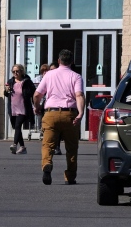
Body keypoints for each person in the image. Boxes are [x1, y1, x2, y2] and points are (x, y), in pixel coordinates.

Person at [33, 49, 84, 185]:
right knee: (71, 147)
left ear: (58, 61)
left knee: (48, 144)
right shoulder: (76, 76)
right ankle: (70, 176)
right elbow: (79, 95)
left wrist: (37, 107)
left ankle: (47, 165)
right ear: (72, 62)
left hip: (51, 113)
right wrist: (80, 113)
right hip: (69, 114)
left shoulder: (49, 75)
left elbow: (37, 95)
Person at [4, 64, 36, 154]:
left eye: (17, 71)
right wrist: (6, 90)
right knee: (16, 127)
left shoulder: (27, 81)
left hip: (23, 108)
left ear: (22, 71)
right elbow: (6, 94)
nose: (15, 73)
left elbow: (33, 93)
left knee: (18, 125)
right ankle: (22, 147)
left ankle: (14, 144)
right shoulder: (10, 81)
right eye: (13, 71)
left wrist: (35, 105)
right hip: (13, 107)